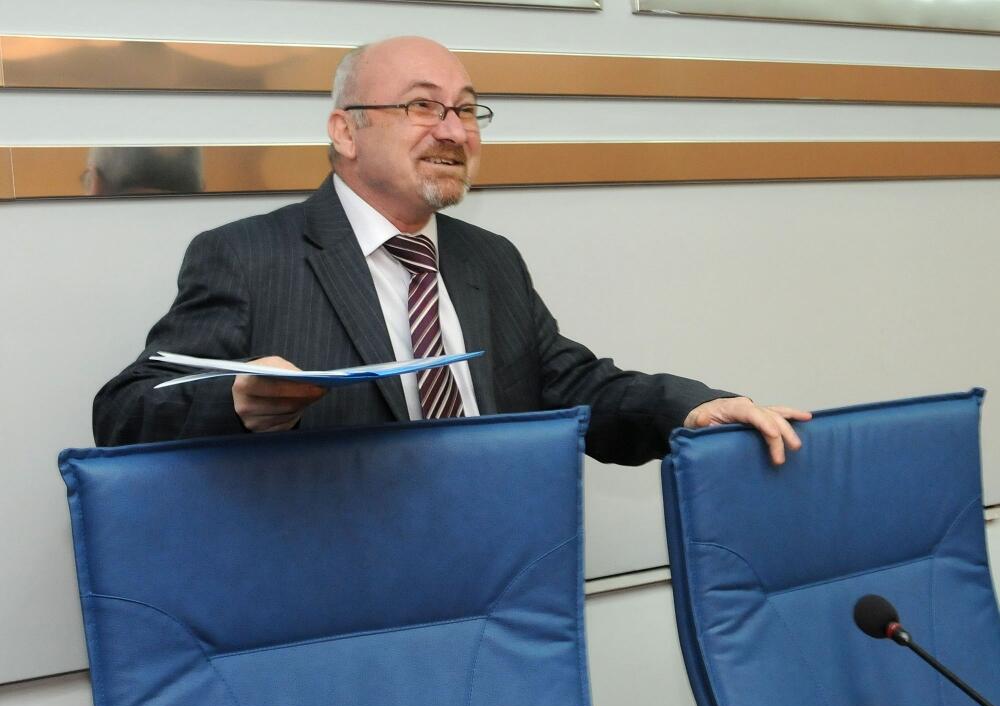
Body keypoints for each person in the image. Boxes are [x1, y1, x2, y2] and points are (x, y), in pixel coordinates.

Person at [93, 36, 810, 464]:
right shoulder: (248, 257)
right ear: (345, 131)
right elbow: (123, 416)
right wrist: (237, 402)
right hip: (337, 597)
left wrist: (694, 408)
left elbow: (576, 389)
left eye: (466, 109)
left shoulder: (489, 260)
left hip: (497, 578)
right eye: (422, 106)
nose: (454, 131)